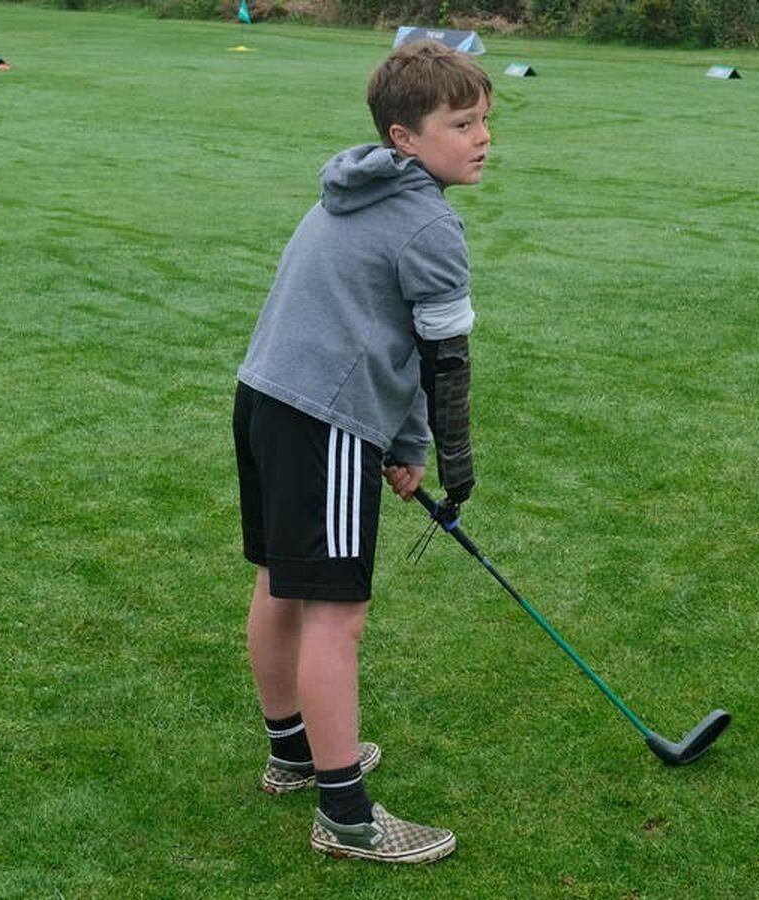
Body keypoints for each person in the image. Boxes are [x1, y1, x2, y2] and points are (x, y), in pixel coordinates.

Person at [231, 39, 492, 864]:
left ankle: (293, 755)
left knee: (283, 579)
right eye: (462, 123)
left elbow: (394, 346)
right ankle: (346, 815)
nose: (483, 138)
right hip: (324, 420)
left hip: (267, 398)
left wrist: (406, 444)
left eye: (486, 120)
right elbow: (443, 365)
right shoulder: (429, 226)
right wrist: (454, 467)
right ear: (404, 137)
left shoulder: (354, 185)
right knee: (336, 617)